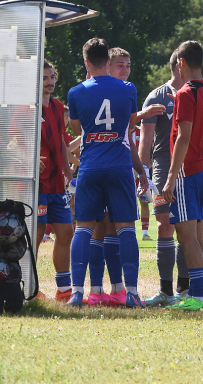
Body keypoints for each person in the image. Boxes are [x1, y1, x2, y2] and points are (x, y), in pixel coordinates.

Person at [66, 38, 149, 307]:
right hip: (120, 166)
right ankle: (132, 292)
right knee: (125, 229)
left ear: (87, 62)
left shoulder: (76, 92)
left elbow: (78, 128)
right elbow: (129, 122)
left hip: (90, 167)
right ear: (108, 62)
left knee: (83, 229)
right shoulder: (128, 88)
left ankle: (77, 291)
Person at [161, 40, 203, 311]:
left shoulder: (186, 93)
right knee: (197, 234)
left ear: (181, 63)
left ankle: (197, 295)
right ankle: (198, 294)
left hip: (189, 172)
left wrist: (171, 177)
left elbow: (183, 138)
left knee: (186, 236)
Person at [140, 52, 184, 306]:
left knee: (188, 227)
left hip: (189, 169)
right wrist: (143, 173)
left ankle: (185, 290)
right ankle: (165, 291)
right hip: (162, 167)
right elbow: (145, 139)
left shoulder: (196, 91)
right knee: (165, 225)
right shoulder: (157, 96)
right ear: (180, 65)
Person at [38, 61, 74, 302]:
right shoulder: (27, 108)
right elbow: (12, 140)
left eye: (51, 77)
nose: (50, 82)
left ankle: (63, 290)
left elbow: (62, 142)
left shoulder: (59, 106)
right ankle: (29, 287)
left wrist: (68, 173)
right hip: (36, 184)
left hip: (56, 184)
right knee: (35, 236)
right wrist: (27, 160)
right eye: (44, 78)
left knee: (66, 232)